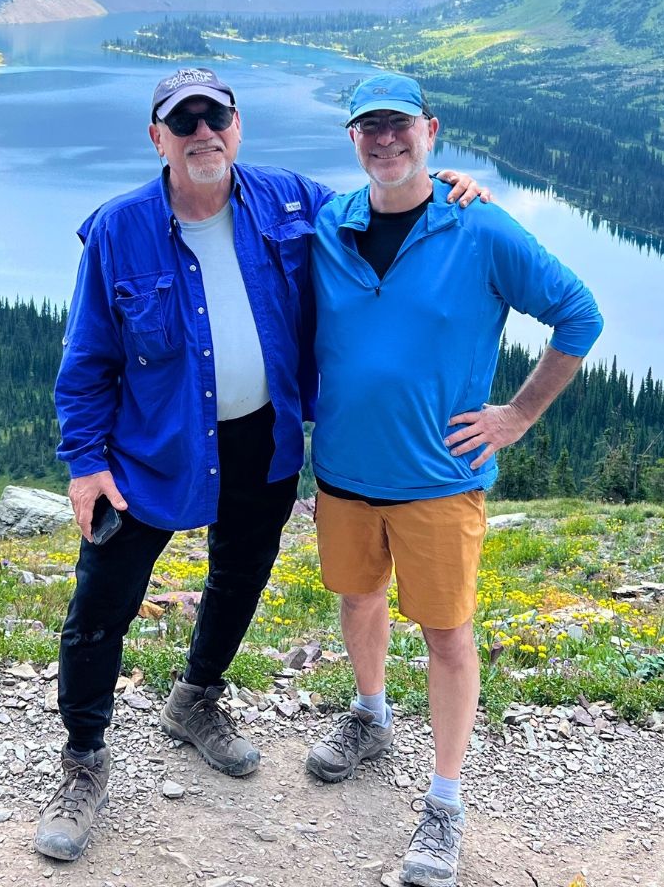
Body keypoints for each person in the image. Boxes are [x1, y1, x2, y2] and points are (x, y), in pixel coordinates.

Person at [35, 66, 486, 862]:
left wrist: (445, 186)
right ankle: (83, 761)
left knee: (239, 576)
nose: (203, 134)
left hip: (261, 438)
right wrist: (84, 462)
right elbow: (88, 359)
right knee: (102, 603)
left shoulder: (290, 202)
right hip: (149, 450)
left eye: (217, 119)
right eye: (184, 123)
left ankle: (195, 698)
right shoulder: (118, 229)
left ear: (237, 128)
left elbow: (382, 205)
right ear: (158, 139)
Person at [305, 71, 603, 887]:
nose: (386, 140)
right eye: (370, 128)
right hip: (343, 473)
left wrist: (518, 415)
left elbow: (580, 314)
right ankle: (370, 716)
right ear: (353, 139)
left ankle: (444, 803)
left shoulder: (480, 226)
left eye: (400, 125)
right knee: (358, 599)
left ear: (430, 131)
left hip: (439, 478)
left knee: (446, 634)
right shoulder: (330, 222)